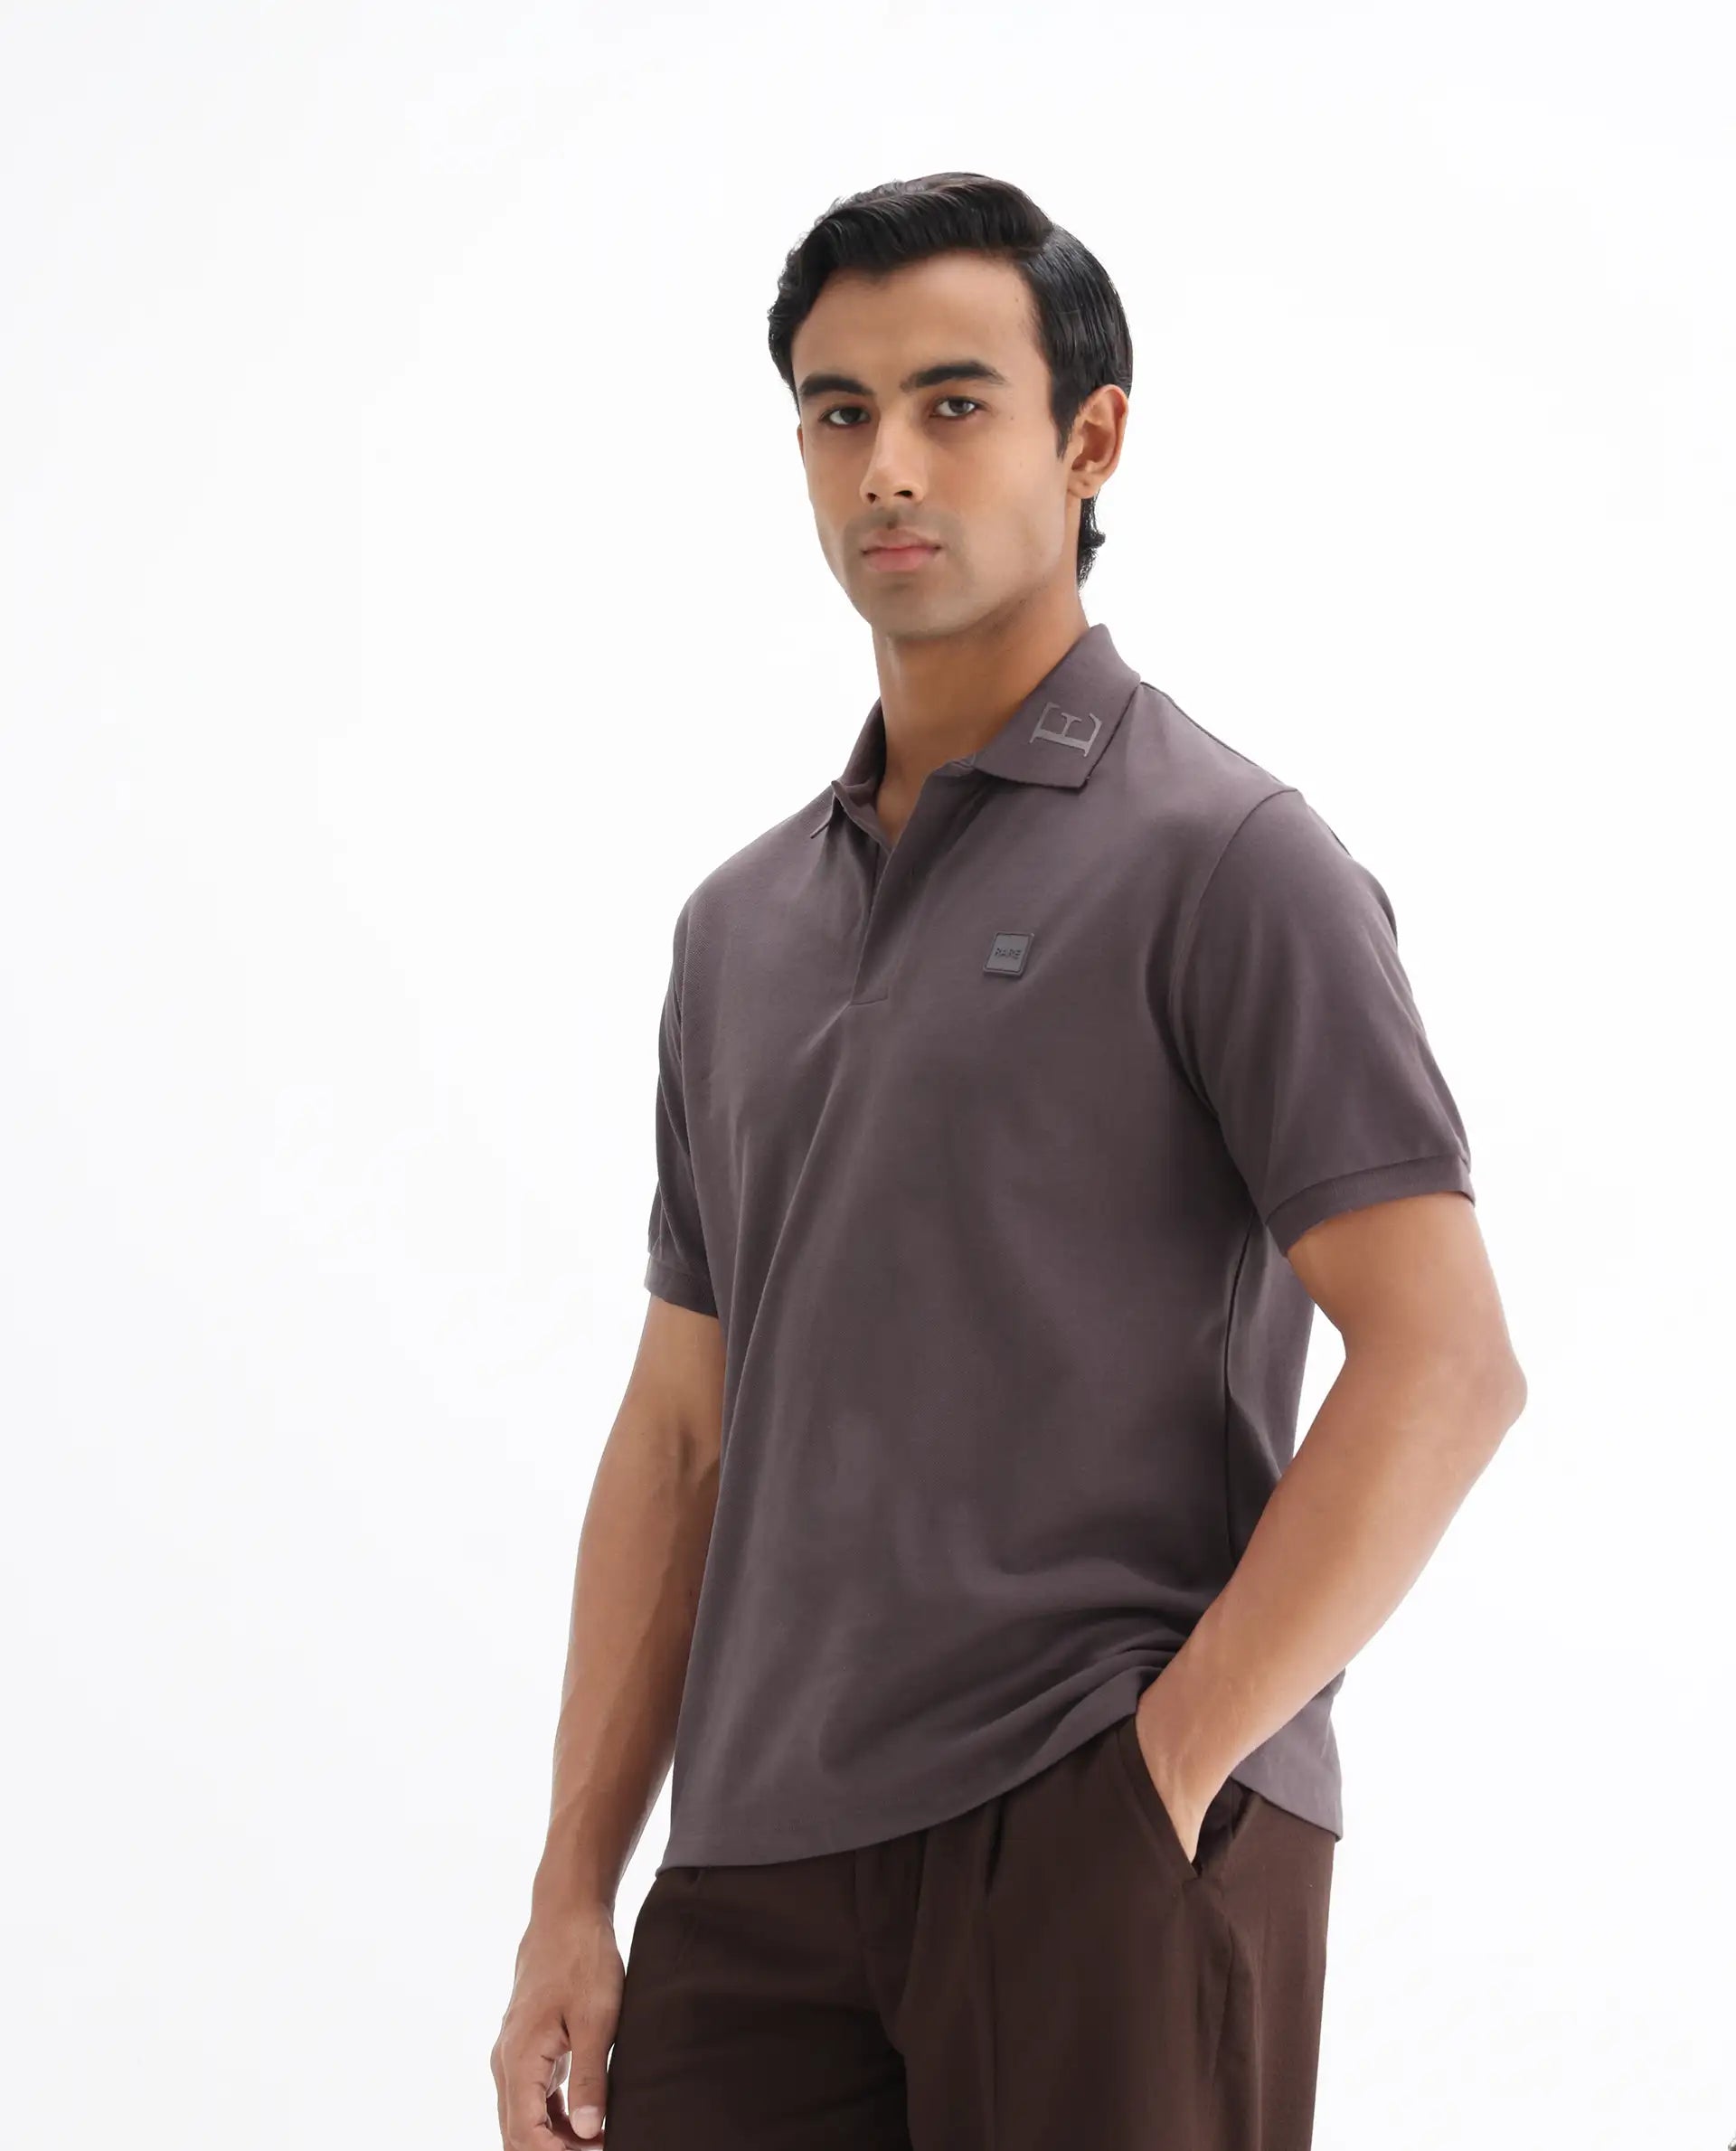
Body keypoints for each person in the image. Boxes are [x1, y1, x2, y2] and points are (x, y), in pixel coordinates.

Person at [491, 171, 1527, 2151]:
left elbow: (1448, 1358)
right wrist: (570, 1889)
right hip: (754, 1869)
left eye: (953, 402)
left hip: (1094, 1821)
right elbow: (685, 1431)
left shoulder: (1231, 860)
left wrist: (1169, 1765)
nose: (887, 464)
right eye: (839, 410)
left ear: (1091, 439)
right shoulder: (737, 928)